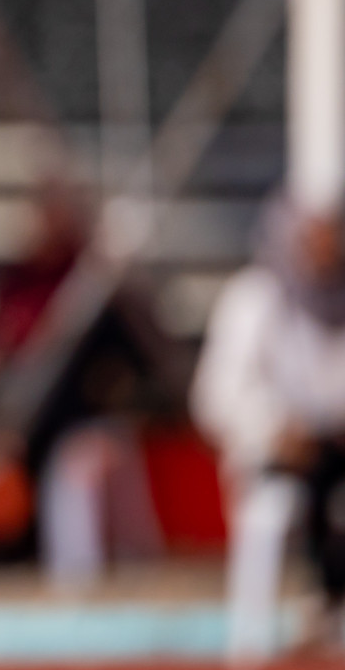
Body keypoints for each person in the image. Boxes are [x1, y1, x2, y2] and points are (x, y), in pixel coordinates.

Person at [194, 199, 345, 655]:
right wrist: (274, 430)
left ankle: (330, 607)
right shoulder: (253, 299)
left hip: (334, 454)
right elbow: (215, 395)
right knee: (274, 510)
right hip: (273, 455)